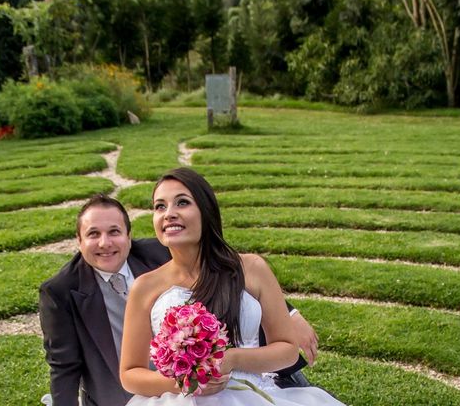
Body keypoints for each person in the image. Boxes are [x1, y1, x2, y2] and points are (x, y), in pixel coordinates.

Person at [39, 194, 318, 406]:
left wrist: (289, 314)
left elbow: (230, 275)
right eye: (93, 234)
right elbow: (64, 368)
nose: (105, 243)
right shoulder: (59, 291)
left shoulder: (163, 251)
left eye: (114, 232)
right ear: (78, 240)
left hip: (213, 382)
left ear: (128, 235)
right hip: (122, 395)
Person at [120, 168, 345, 406]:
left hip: (249, 394)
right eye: (160, 206)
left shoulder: (252, 269)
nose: (169, 214)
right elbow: (130, 373)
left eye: (182, 202)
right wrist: (184, 383)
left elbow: (288, 350)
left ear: (206, 211)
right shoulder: (145, 287)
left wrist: (232, 358)